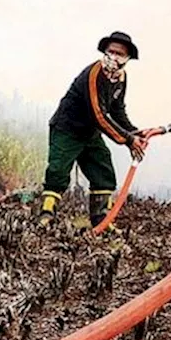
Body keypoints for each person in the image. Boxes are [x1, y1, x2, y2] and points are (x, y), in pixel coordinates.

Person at [39, 31, 148, 229]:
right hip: (67, 129)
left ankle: (101, 221)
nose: (113, 57)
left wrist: (133, 131)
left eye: (119, 54)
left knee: (103, 172)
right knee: (58, 171)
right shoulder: (93, 75)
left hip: (90, 133)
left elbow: (117, 110)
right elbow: (99, 114)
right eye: (110, 51)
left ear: (127, 58)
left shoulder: (121, 79)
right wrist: (128, 140)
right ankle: (46, 216)